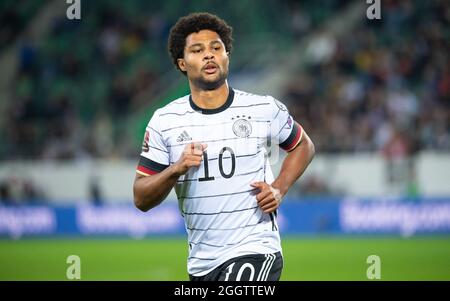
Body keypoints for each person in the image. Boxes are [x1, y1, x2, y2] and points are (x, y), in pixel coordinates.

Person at [133, 12, 315, 281]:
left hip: (255, 249)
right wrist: (176, 169)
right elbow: (141, 198)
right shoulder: (164, 121)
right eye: (198, 50)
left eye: (216, 48)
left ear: (227, 55)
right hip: (202, 264)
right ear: (182, 63)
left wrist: (279, 187)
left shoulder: (263, 108)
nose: (209, 55)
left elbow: (303, 145)